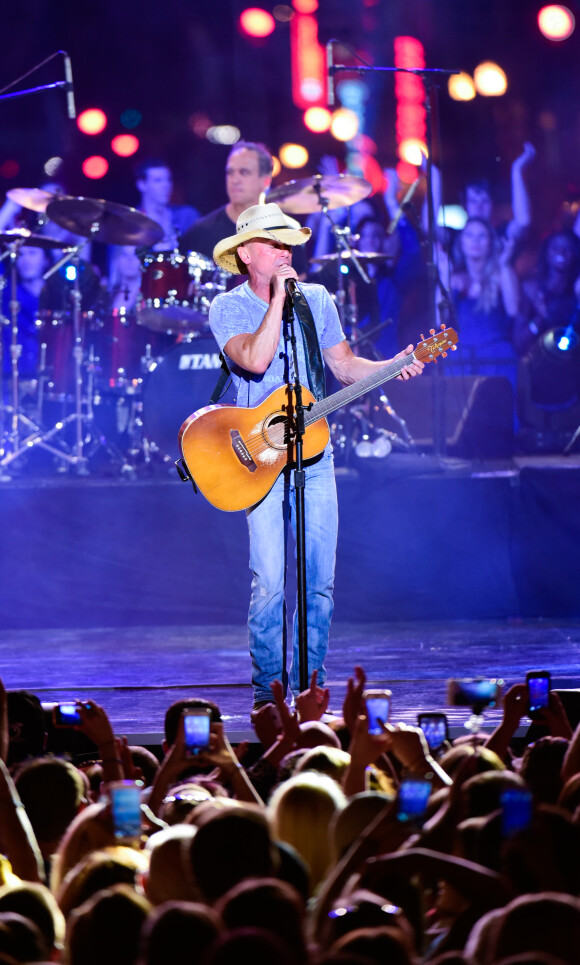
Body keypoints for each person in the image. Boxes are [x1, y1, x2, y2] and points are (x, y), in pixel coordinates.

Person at [208, 202, 424, 712]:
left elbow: (346, 367)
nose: (285, 250)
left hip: (314, 457)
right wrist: (279, 300)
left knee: (319, 581)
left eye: (288, 242)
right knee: (269, 582)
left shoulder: (319, 300)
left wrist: (392, 366)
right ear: (245, 253)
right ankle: (268, 691)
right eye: (273, 242)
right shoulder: (228, 308)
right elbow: (256, 361)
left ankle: (312, 689)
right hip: (256, 459)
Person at [179, 141, 274, 260]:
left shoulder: (287, 233)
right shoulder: (200, 232)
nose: (235, 180)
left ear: (266, 181)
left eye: (244, 172)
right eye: (230, 172)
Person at [135, 158, 199, 252]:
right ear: (141, 185)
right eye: (158, 180)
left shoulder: (187, 216)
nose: (166, 185)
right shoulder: (132, 223)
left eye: (168, 179)